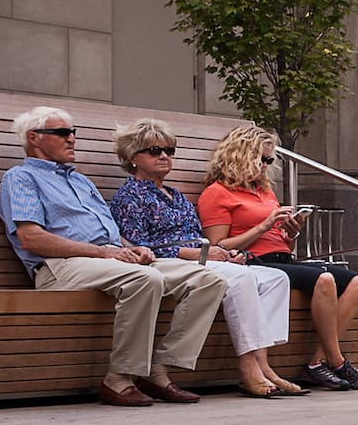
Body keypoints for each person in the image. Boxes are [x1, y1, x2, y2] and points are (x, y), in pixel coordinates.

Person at [0, 104, 229, 407]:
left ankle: (158, 368)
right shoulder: (21, 178)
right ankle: (119, 379)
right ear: (34, 138)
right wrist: (104, 252)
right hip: (60, 267)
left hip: (106, 260)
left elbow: (108, 232)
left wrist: (128, 246)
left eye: (73, 133)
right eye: (62, 132)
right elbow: (31, 238)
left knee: (207, 278)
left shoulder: (80, 180)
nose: (71, 139)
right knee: (144, 279)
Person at [107, 119, 300, 399]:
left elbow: (200, 237)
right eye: (154, 151)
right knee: (243, 279)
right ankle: (248, 368)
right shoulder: (130, 196)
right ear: (132, 158)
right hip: (169, 262)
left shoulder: (176, 196)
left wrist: (231, 254)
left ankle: (262, 363)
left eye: (169, 151)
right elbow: (140, 246)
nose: (164, 156)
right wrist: (199, 253)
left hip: (201, 259)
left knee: (275, 279)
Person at [197, 124, 358, 390]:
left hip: (282, 257)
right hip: (255, 261)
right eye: (262, 159)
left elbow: (280, 241)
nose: (266, 166)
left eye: (270, 160)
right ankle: (337, 362)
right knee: (324, 279)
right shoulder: (217, 193)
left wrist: (291, 232)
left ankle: (318, 362)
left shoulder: (264, 191)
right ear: (241, 155)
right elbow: (218, 245)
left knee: (357, 281)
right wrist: (264, 226)